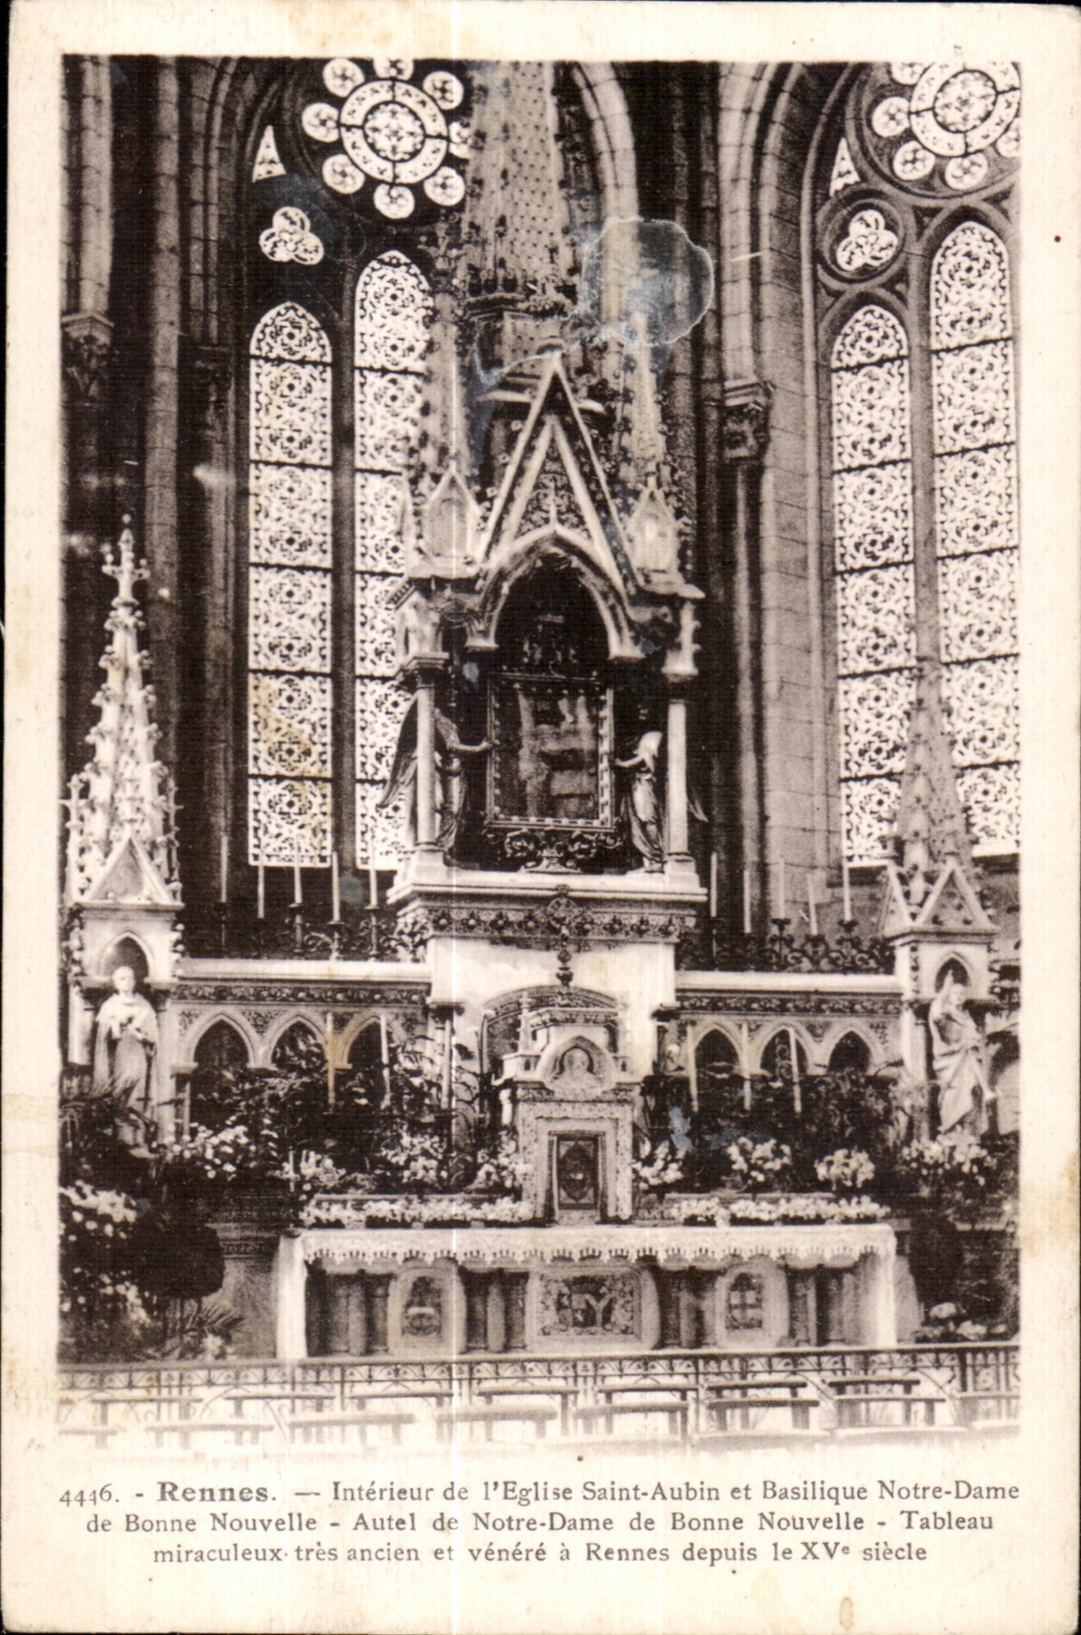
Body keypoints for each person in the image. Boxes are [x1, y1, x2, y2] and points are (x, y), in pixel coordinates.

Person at [92, 965, 159, 1148]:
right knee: (121, 1087)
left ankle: (139, 1133)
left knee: (137, 1083)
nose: (127, 982)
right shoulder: (109, 1006)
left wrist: (140, 1034)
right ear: (115, 983)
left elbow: (153, 1036)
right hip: (119, 1054)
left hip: (137, 1052)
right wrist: (115, 1025)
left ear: (135, 981)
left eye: (130, 978)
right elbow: (102, 1037)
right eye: (122, 978)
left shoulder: (144, 1006)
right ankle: (121, 1135)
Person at [929, 969, 994, 1138]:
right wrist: (945, 989)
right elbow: (936, 1015)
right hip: (949, 1063)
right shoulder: (944, 1012)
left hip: (965, 1062)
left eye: (962, 993)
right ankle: (950, 1133)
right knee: (952, 1096)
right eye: (955, 993)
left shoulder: (966, 1016)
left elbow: (975, 1038)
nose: (958, 996)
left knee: (970, 1095)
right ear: (949, 995)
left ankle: (968, 1138)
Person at [616, 730, 664, 870]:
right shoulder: (648, 759)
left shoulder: (646, 756)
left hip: (644, 788)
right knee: (645, 819)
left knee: (647, 819)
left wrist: (616, 761)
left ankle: (655, 855)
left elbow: (626, 764)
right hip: (642, 787)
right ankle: (652, 856)